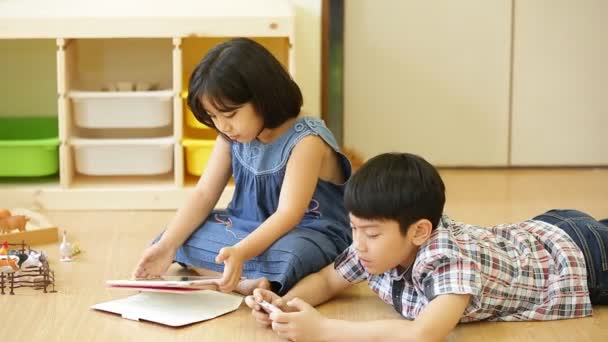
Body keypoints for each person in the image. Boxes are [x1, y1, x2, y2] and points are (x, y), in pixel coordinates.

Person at [245, 152, 608, 341]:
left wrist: (324, 331)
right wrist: (287, 303)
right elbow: (327, 280)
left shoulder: (447, 260)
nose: (359, 244)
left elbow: (424, 334)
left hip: (581, 260)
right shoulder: (377, 246)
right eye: (354, 228)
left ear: (419, 231)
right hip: (543, 230)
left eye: (370, 234)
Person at [133, 38, 352, 296]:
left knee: (292, 256)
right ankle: (241, 281)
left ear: (263, 98)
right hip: (245, 226)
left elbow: (288, 215)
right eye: (213, 117)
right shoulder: (230, 136)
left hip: (306, 232)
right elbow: (204, 194)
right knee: (173, 238)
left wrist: (241, 252)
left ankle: (237, 271)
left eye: (230, 115)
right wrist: (168, 246)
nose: (222, 126)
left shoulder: (306, 140)